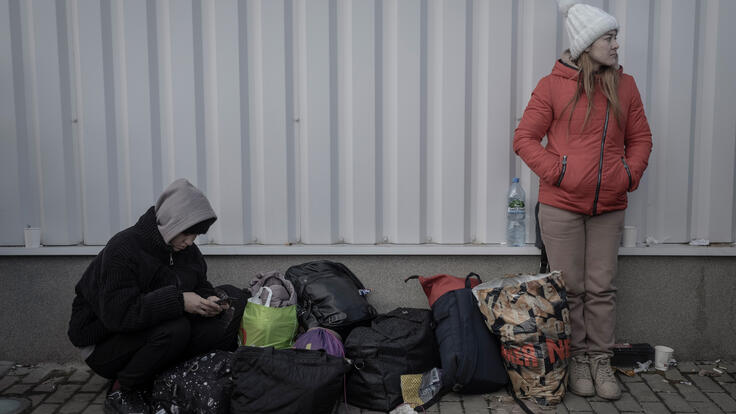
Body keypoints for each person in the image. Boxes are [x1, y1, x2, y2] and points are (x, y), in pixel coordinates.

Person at [513, 0, 652, 401]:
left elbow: (641, 138)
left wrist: (628, 174)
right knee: (570, 289)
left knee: (601, 287)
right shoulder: (552, 85)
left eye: (615, 38)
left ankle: (600, 360)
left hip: (609, 205)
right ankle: (575, 360)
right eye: (609, 38)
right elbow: (524, 139)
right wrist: (560, 172)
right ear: (587, 43)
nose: (615, 46)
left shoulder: (625, 85)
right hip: (561, 206)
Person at [68, 178, 247, 413]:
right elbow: (118, 315)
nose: (190, 241)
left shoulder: (187, 251)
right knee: (175, 329)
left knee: (230, 305)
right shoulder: (123, 249)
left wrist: (208, 300)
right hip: (104, 341)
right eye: (187, 233)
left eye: (196, 235)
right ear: (171, 223)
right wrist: (180, 301)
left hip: (154, 327)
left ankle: (164, 379)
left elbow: (200, 284)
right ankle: (123, 390)